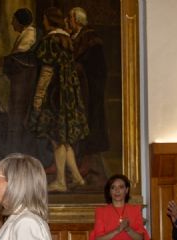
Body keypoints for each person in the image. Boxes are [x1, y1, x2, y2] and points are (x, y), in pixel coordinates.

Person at [28, 7, 89, 193]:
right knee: (64, 139)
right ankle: (78, 178)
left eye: (44, 19)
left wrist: (38, 97)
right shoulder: (67, 39)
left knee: (57, 139)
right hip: (68, 92)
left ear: (48, 21)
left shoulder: (50, 41)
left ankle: (61, 181)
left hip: (55, 93)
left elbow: (46, 72)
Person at [68, 7, 108, 179]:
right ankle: (78, 162)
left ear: (76, 20)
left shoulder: (91, 39)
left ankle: (88, 163)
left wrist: (80, 69)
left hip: (91, 92)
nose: (68, 22)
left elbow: (98, 68)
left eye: (70, 18)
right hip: (78, 90)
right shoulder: (75, 38)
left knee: (91, 126)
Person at [92, 174, 151, 240]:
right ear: (109, 192)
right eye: (113, 187)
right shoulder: (101, 211)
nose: (117, 190)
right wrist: (118, 230)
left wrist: (127, 229)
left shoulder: (135, 210)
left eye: (121, 187)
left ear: (126, 190)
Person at [1, 8, 39, 155]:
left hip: (24, 84)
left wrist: (3, 62)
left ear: (20, 21)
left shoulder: (29, 35)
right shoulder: (25, 33)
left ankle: (19, 151)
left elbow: (20, 59)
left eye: (13, 20)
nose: (11, 23)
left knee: (20, 117)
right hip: (20, 83)